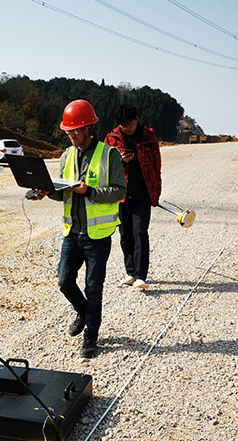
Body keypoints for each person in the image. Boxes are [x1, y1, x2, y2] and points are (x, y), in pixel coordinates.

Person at [29, 100, 126, 358]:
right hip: (72, 233)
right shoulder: (66, 156)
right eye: (68, 132)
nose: (71, 136)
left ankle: (91, 337)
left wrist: (90, 191)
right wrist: (47, 193)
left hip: (97, 236)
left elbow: (119, 191)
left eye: (75, 131)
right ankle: (84, 312)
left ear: (88, 127)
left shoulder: (109, 155)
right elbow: (63, 194)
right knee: (64, 281)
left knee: (94, 287)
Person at [104, 104, 162, 290]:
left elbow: (156, 165)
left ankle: (141, 275)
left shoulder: (149, 137)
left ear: (137, 119)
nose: (126, 128)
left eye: (129, 124)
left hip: (143, 193)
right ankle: (130, 272)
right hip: (120, 195)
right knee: (125, 234)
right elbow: (104, 165)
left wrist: (156, 192)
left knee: (140, 233)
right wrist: (119, 161)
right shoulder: (112, 138)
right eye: (122, 125)